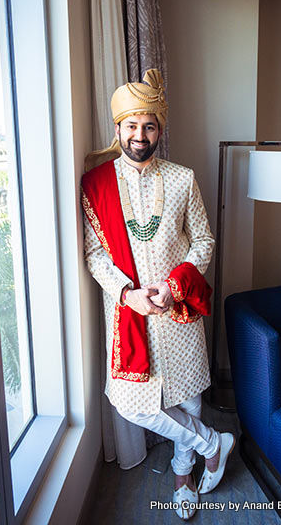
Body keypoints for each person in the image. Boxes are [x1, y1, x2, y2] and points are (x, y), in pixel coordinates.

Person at [81, 69, 235, 520]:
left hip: (178, 311)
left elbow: (204, 240)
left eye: (149, 126)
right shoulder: (97, 185)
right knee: (135, 406)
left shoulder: (183, 178)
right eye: (131, 125)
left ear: (159, 130)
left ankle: (183, 478)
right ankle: (213, 443)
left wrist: (172, 288)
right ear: (118, 129)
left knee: (187, 401)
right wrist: (127, 294)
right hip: (130, 314)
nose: (140, 135)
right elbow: (94, 254)